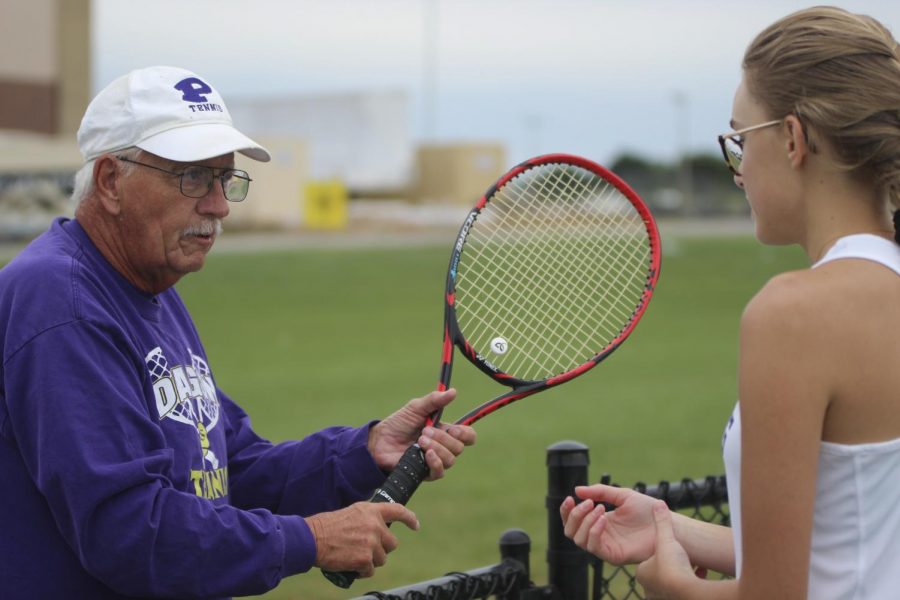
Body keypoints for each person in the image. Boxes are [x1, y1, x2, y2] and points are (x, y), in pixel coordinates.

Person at [0, 65, 476, 599]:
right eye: (194, 178)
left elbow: (234, 469)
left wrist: (364, 451)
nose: (219, 205)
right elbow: (130, 532)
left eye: (225, 179)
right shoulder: (61, 302)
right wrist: (310, 539)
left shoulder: (147, 290)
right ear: (112, 181)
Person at [560, 6, 900, 599]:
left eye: (740, 139)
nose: (739, 171)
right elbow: (853, 539)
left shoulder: (794, 314)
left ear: (792, 139)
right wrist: (668, 526)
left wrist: (673, 588)